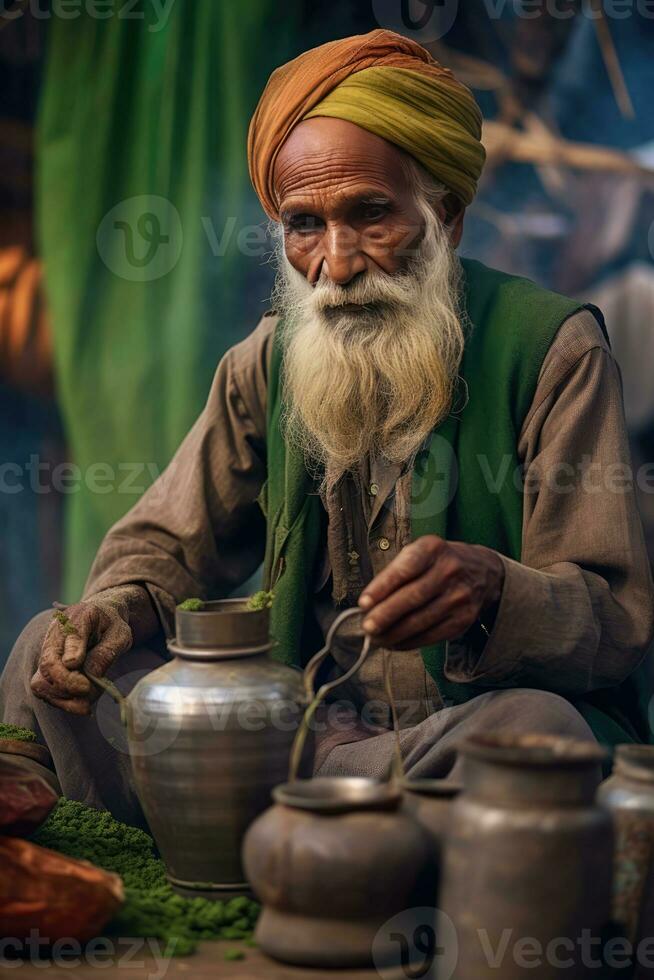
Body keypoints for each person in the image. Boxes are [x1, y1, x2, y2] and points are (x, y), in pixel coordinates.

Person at [2, 30, 652, 823]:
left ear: (445, 217)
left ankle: (282, 838)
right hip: (292, 738)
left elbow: (617, 619)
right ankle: (310, 831)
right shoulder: (269, 360)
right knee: (49, 644)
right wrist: (117, 608)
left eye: (372, 216)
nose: (337, 264)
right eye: (305, 226)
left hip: (453, 741)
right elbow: (166, 545)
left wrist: (494, 592)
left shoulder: (551, 350)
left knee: (537, 732)